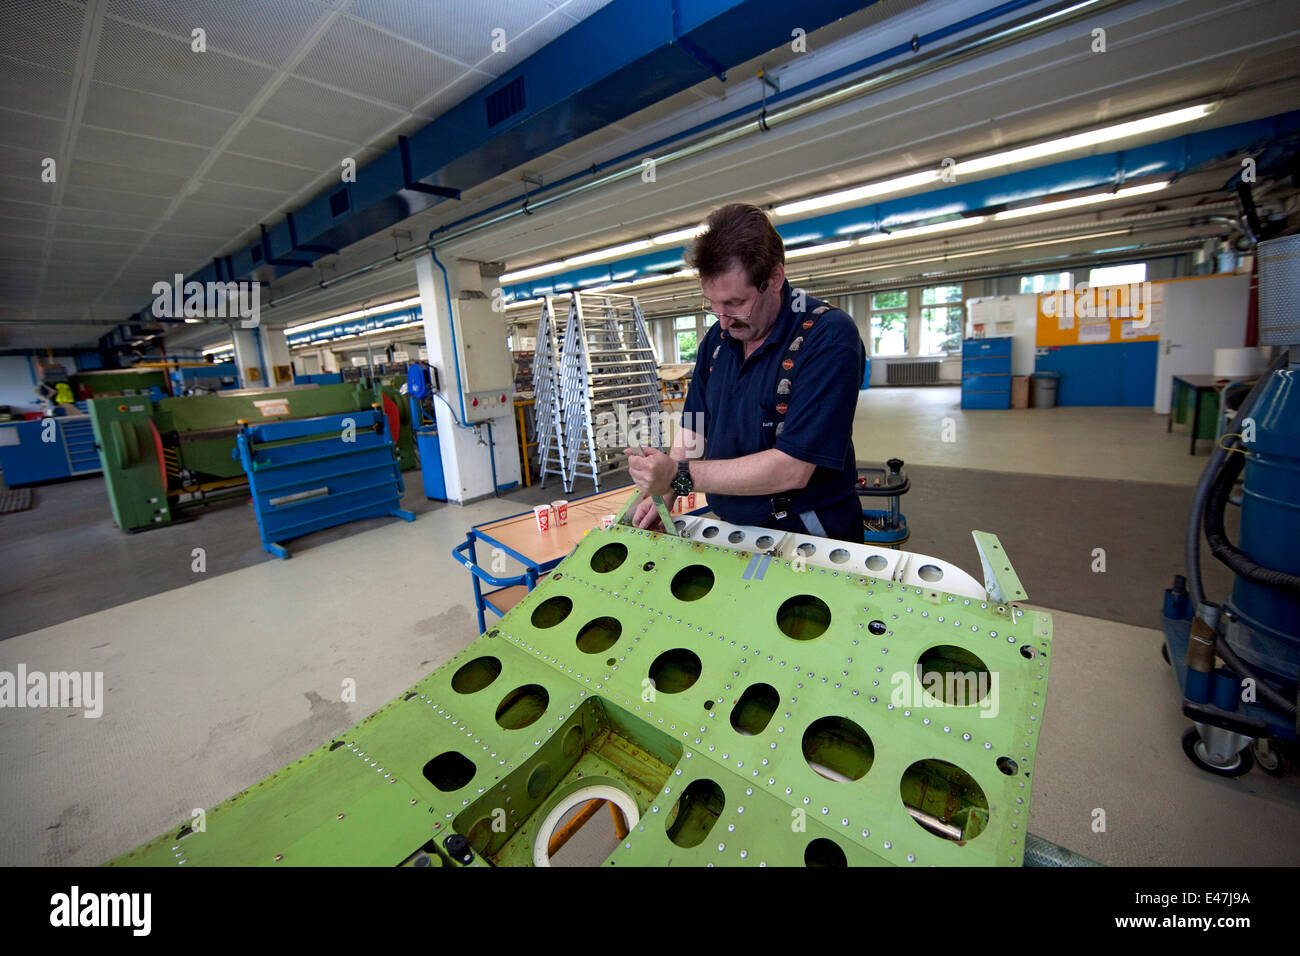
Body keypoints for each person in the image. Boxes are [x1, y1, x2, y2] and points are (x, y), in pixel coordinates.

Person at [625, 202, 866, 542]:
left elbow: (793, 468)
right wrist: (665, 493)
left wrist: (679, 476)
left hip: (804, 531)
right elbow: (695, 425)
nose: (723, 319)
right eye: (712, 304)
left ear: (774, 278)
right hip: (733, 525)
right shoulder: (719, 340)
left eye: (736, 303)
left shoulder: (828, 336)